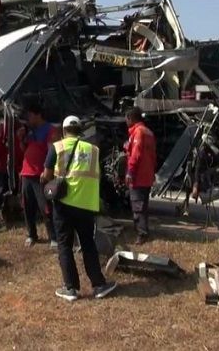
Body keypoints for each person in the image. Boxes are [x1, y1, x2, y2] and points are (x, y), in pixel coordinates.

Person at [42, 116, 117, 301]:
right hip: (86, 205)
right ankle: (99, 285)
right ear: (80, 130)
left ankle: (70, 289)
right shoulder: (93, 150)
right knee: (88, 244)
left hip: (63, 205)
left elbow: (46, 175)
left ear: (64, 130)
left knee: (65, 245)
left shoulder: (57, 147)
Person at [18, 103, 58, 248]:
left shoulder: (50, 130)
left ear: (37, 115)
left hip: (40, 175)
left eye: (29, 116)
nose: (27, 119)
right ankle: (31, 234)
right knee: (27, 206)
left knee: (45, 207)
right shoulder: (29, 131)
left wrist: (47, 171)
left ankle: (53, 237)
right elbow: (25, 149)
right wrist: (21, 139)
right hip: (26, 174)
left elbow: (51, 153)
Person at [124, 106, 157, 245]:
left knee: (137, 206)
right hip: (147, 175)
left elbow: (136, 155)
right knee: (143, 205)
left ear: (131, 118)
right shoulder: (148, 132)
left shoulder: (138, 133)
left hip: (138, 176)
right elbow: (153, 156)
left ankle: (141, 234)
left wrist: (130, 172)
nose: (126, 121)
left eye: (126, 119)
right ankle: (143, 230)